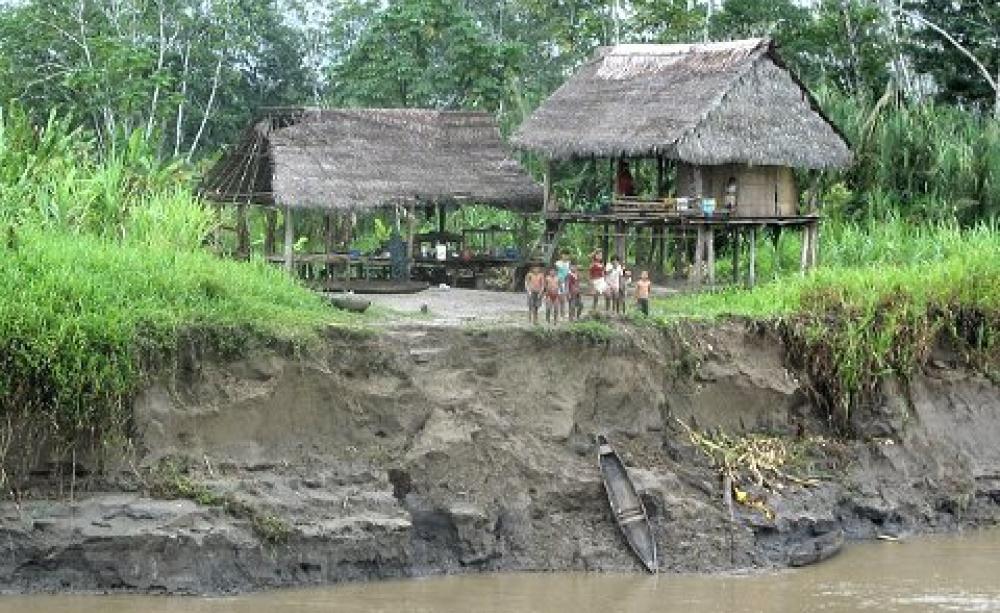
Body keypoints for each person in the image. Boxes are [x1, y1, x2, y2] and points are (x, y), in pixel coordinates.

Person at [555, 251, 571, 318]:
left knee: (565, 299)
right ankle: (557, 314)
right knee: (559, 298)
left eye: (567, 255)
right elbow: (558, 273)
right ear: (561, 255)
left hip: (566, 282)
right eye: (564, 255)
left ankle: (563, 313)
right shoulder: (558, 263)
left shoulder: (569, 263)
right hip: (559, 281)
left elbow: (568, 273)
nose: (565, 256)